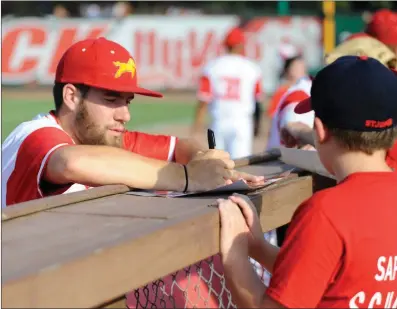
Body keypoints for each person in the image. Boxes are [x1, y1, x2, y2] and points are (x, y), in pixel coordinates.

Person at [217, 55, 397, 308]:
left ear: (320, 131)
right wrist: (258, 249)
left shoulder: (326, 212)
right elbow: (334, 275)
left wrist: (234, 256)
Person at [1, 37, 264, 208]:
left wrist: (208, 164)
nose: (124, 115)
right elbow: (71, 162)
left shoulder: (100, 137)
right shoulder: (35, 135)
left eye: (127, 101)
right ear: (71, 96)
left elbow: (179, 147)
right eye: (111, 99)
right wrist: (188, 177)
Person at [191, 27, 264, 159]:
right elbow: (258, 100)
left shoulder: (212, 67)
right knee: (241, 165)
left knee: (217, 165)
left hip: (218, 121)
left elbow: (203, 99)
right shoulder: (252, 68)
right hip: (242, 122)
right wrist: (257, 126)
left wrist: (197, 125)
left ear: (225, 45)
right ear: (241, 45)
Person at [266, 53, 307, 119]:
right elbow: (272, 114)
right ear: (288, 70)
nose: (300, 70)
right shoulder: (282, 91)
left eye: (302, 67)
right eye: (296, 67)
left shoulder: (309, 89)